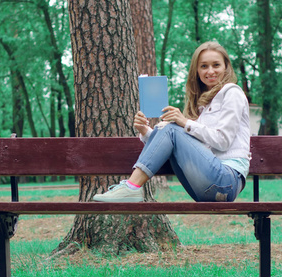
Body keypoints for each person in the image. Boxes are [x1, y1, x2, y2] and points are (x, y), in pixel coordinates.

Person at [93, 41, 251, 203]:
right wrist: (144, 130)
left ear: (226, 67)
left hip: (227, 180)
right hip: (204, 188)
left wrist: (183, 122)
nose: (210, 71)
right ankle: (131, 188)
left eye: (216, 65)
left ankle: (131, 188)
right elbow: (176, 146)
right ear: (196, 71)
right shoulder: (202, 106)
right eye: (204, 66)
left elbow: (223, 141)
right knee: (170, 128)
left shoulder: (232, 93)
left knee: (172, 128)